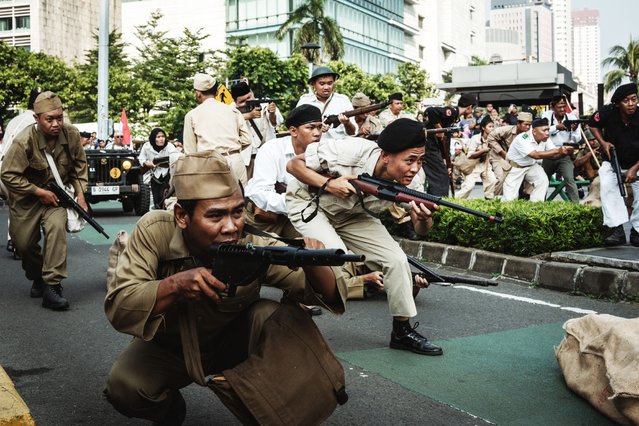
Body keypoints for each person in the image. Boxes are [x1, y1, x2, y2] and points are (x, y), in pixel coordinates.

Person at [104, 150, 347, 424]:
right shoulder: (155, 231)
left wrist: (314, 263)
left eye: (238, 212)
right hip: (171, 349)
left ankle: (277, 415)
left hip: (234, 343)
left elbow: (328, 293)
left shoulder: (251, 241)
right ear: (182, 216)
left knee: (271, 316)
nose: (231, 227)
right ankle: (169, 410)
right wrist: (174, 286)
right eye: (216, 216)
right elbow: (121, 306)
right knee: (125, 387)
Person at [285, 118, 442, 356]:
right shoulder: (350, 149)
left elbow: (422, 231)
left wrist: (423, 218)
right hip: (310, 204)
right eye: (409, 160)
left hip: (353, 214)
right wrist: (328, 184)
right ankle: (291, 300)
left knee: (397, 260)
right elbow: (294, 165)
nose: (415, 168)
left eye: (420, 161)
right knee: (338, 259)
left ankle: (402, 331)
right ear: (386, 155)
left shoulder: (413, 182)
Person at [244, 104, 383, 298]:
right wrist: (298, 202)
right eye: (311, 128)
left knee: (325, 253)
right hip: (266, 218)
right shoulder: (272, 149)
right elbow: (261, 193)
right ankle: (356, 285)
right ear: (293, 131)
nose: (317, 133)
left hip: (300, 216)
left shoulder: (324, 151)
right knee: (256, 262)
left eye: (320, 127)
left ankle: (359, 282)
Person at [0, 91, 88, 310]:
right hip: (26, 199)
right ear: (37, 119)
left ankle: (52, 285)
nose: (56, 124)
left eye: (60, 117)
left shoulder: (71, 135)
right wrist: (38, 192)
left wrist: (81, 195)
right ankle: (38, 277)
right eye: (50, 119)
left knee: (56, 229)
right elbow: (8, 175)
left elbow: (79, 167)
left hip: (56, 199)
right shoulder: (23, 141)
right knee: (23, 245)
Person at [588, 82, 639, 246]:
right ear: (618, 103)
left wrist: (634, 169)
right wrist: (603, 143)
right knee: (608, 188)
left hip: (637, 161)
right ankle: (618, 230)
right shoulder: (607, 112)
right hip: (613, 160)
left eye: (634, 99)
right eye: (626, 101)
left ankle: (637, 231)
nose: (631, 104)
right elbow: (592, 125)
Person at [183, 72, 252, 185]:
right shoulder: (232, 111)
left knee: (213, 201)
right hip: (236, 162)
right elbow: (247, 140)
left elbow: (190, 153)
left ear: (198, 93)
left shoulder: (191, 115)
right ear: (216, 92)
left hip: (210, 165)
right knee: (240, 201)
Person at [1, 89, 40, 259]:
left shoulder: (16, 119)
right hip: (14, 170)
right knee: (25, 206)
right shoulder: (34, 122)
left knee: (15, 205)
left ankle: (12, 239)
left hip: (2, 166)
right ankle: (18, 242)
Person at [502, 117, 573, 201]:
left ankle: (536, 207)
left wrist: (563, 153)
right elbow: (535, 155)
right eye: (544, 130)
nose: (547, 133)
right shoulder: (522, 138)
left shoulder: (545, 138)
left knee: (543, 181)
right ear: (534, 131)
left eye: (548, 130)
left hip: (531, 165)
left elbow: (553, 156)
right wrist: (558, 150)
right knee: (509, 199)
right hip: (515, 167)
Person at [424, 93, 477, 196]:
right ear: (469, 107)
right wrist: (439, 129)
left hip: (435, 147)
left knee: (442, 173)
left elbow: (445, 139)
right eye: (473, 108)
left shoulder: (455, 118)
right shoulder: (452, 112)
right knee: (441, 175)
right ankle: (439, 202)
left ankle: (433, 199)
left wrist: (445, 160)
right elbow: (431, 111)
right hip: (428, 146)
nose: (473, 111)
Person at [230, 81, 283, 179]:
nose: (247, 102)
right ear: (235, 101)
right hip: (246, 157)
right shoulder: (230, 110)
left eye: (249, 98)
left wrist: (272, 113)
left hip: (268, 154)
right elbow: (227, 124)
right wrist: (247, 116)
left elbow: (275, 123)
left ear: (252, 92)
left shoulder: (264, 103)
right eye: (242, 101)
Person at [296, 66, 356, 140]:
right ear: (313, 84)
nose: (326, 87)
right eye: (322, 84)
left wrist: (347, 123)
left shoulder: (343, 101)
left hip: (339, 148)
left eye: (330, 83)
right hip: (312, 147)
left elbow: (353, 133)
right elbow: (296, 127)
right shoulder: (304, 101)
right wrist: (317, 129)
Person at [541, 96, 582, 203]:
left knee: (570, 180)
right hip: (549, 153)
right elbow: (541, 131)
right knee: (543, 181)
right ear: (553, 107)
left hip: (565, 154)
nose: (563, 109)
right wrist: (557, 127)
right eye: (559, 107)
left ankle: (576, 207)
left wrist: (573, 130)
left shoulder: (571, 117)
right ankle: (541, 204)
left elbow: (577, 139)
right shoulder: (546, 116)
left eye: (564, 107)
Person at [487, 111, 533, 195]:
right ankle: (493, 199)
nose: (528, 127)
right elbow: (490, 137)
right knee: (502, 178)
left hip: (516, 159)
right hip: (499, 156)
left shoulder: (529, 134)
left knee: (528, 180)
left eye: (530, 125)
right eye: (526, 124)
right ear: (518, 124)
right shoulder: (506, 130)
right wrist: (502, 152)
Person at [455, 116, 497, 199]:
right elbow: (469, 155)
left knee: (492, 181)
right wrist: (482, 150)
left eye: (493, 127)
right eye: (489, 126)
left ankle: (489, 201)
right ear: (483, 128)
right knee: (468, 186)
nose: (492, 129)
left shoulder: (492, 139)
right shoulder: (475, 138)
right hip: (473, 165)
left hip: (486, 164)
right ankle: (454, 201)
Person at [138, 127, 178, 209]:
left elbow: (176, 156)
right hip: (154, 174)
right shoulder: (147, 146)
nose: (161, 139)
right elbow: (141, 158)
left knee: (166, 195)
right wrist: (147, 163)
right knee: (156, 197)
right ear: (153, 138)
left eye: (163, 136)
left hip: (167, 173)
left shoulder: (169, 146)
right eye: (158, 137)